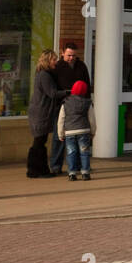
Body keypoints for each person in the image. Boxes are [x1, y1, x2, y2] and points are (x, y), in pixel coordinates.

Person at [51, 43, 92, 175]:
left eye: (73, 55)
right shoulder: (57, 67)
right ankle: (56, 166)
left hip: (80, 107)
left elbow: (87, 85)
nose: (71, 58)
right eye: (69, 55)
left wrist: (88, 102)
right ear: (62, 53)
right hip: (63, 105)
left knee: (80, 138)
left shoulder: (81, 66)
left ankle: (80, 166)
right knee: (59, 136)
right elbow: (54, 89)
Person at [28, 49, 67, 178]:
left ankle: (34, 170)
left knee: (39, 141)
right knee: (39, 142)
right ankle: (39, 170)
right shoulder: (44, 75)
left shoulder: (42, 73)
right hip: (41, 113)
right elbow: (52, 93)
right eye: (53, 59)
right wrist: (69, 92)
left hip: (40, 111)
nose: (55, 62)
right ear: (47, 61)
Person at [57, 80, 96, 181]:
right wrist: (93, 131)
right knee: (84, 153)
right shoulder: (87, 103)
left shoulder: (65, 102)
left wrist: (60, 134)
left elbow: (61, 119)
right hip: (83, 131)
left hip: (70, 132)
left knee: (71, 152)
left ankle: (72, 173)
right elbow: (92, 119)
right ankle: (85, 173)